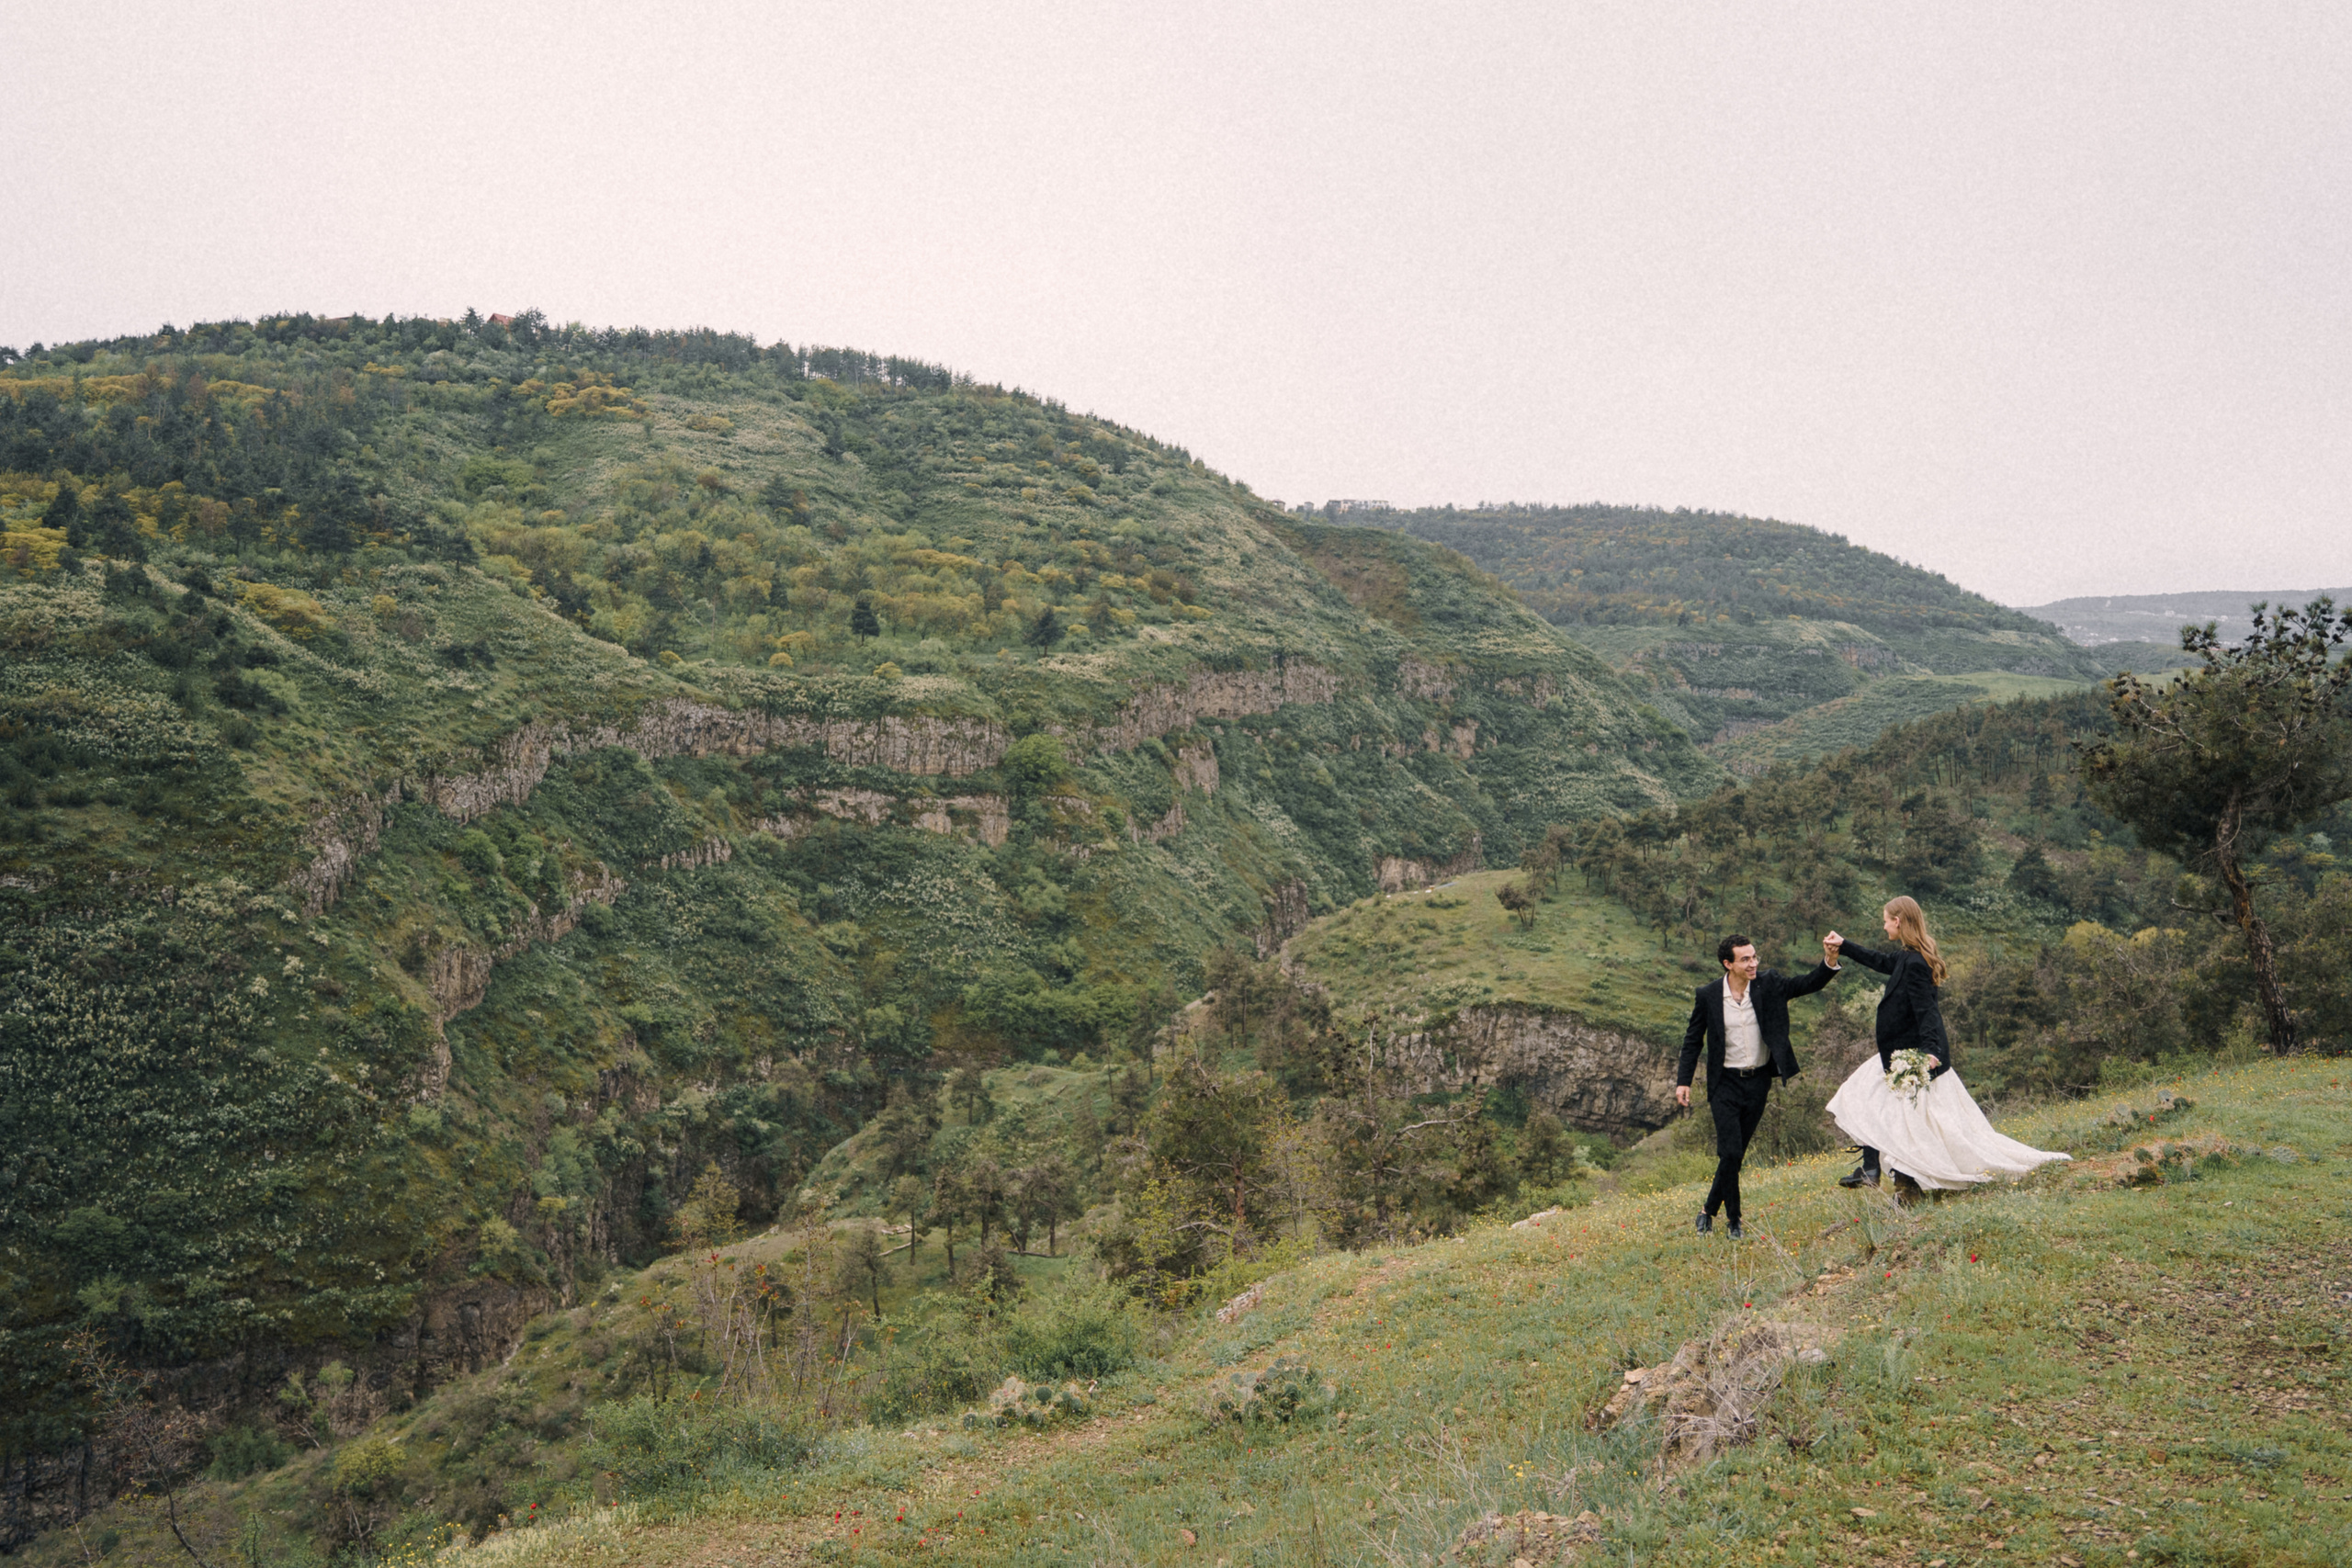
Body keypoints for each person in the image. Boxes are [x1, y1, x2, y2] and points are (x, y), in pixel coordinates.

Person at [1825, 897, 2069, 1190]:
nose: (1883, 924)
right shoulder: (1907, 957)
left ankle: (1894, 1178)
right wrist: (1844, 945)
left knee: (1898, 1114)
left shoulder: (1915, 963)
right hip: (1897, 1052)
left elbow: (1927, 1011)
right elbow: (1879, 960)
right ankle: (1872, 1169)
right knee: (1864, 1096)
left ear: (1898, 921)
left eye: (1886, 919)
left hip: (1913, 1055)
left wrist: (1931, 1052)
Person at [1676, 931, 1844, 1238]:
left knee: (1735, 1154)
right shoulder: (1709, 995)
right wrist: (1683, 1081)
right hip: (1724, 1083)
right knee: (1730, 1151)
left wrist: (1830, 960)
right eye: (1745, 959)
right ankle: (1734, 1221)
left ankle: (1706, 1212)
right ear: (1728, 964)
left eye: (1754, 957)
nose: (1753, 963)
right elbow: (1692, 1040)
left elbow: (1807, 984)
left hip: (1758, 1083)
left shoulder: (1768, 984)